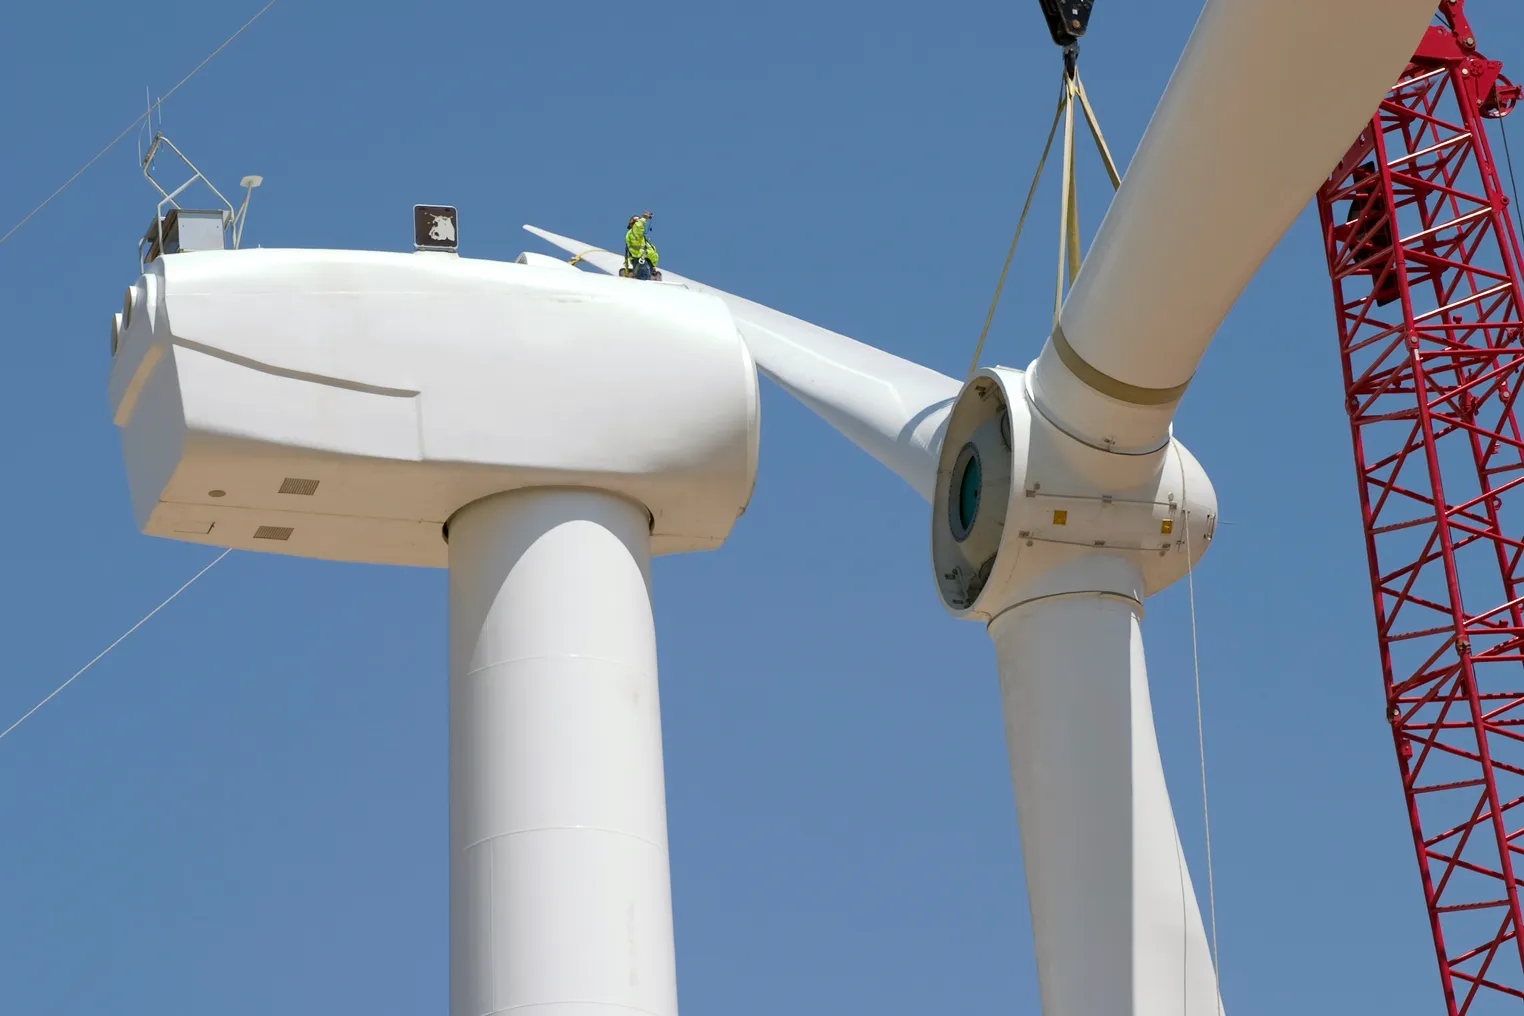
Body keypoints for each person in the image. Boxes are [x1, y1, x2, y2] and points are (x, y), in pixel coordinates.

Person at [624, 211, 661, 281]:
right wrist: (644, 218)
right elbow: (638, 227)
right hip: (642, 264)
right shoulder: (633, 233)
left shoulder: (639, 238)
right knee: (645, 285)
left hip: (644, 264)